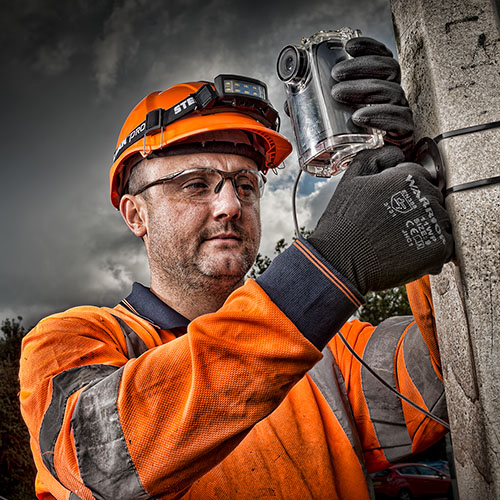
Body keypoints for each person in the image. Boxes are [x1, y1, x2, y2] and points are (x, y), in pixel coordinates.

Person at [20, 37, 453, 500]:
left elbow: (454, 381)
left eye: (245, 185)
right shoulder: (70, 341)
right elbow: (102, 457)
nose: (230, 204)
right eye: (195, 185)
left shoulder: (331, 352)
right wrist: (331, 265)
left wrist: (418, 175)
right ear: (135, 215)